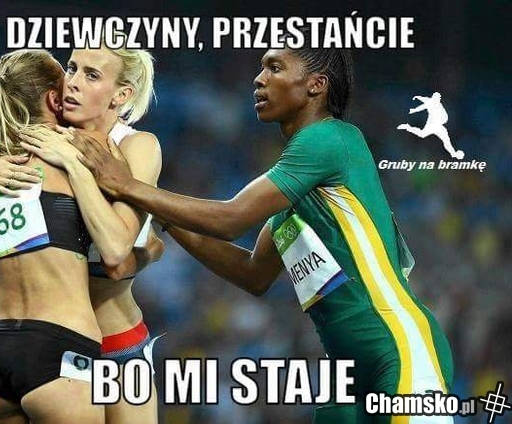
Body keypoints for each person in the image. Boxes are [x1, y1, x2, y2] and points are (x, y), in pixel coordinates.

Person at [69, 36, 455, 423]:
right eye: (261, 67)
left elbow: (231, 218)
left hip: (398, 348)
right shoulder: (298, 194)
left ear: (316, 85)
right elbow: (253, 273)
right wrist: (157, 210)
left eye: (275, 67)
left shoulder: (330, 137)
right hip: (347, 372)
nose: (259, 78)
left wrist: (130, 186)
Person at [0, 41, 164, 424]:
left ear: (120, 95)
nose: (73, 81)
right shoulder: (44, 140)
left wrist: (145, 251)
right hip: (56, 341)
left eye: (91, 75)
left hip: (113, 342)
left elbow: (122, 253)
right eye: (71, 68)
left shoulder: (134, 146)